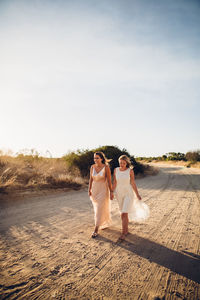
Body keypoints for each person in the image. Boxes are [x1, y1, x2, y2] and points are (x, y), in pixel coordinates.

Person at [113, 155, 150, 240]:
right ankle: (126, 230)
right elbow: (114, 182)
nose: (122, 164)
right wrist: (111, 191)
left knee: (124, 212)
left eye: (124, 163)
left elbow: (133, 183)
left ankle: (123, 233)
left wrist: (137, 194)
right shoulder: (116, 170)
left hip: (128, 193)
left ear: (127, 163)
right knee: (123, 213)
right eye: (120, 163)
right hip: (119, 193)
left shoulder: (130, 171)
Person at [88, 151, 114, 238]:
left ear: (101, 159)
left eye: (97, 158)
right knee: (97, 208)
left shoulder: (106, 167)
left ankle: (96, 229)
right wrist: (89, 189)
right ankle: (102, 222)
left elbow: (110, 181)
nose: (95, 159)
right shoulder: (92, 167)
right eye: (94, 158)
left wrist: (111, 192)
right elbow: (91, 179)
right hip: (95, 189)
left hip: (103, 189)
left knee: (99, 208)